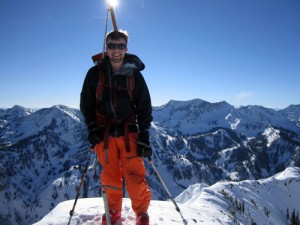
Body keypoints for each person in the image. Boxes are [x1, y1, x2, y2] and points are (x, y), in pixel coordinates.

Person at [80, 30, 152, 225]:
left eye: (120, 46)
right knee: (110, 176)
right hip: (104, 134)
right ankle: (113, 211)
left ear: (126, 48)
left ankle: (141, 213)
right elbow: (86, 103)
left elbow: (144, 105)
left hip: (130, 132)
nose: (116, 50)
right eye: (112, 46)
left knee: (136, 175)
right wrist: (92, 127)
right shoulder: (95, 74)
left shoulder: (134, 75)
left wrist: (144, 134)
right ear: (106, 48)